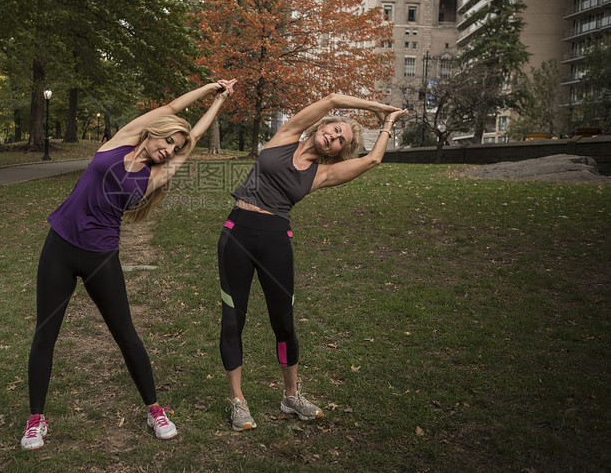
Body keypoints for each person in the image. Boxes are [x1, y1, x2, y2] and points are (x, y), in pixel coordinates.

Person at [22, 79, 237, 451]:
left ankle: (155, 409)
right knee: (45, 334)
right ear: (153, 134)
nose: (168, 150)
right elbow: (171, 108)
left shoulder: (156, 175)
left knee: (126, 335)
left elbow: (195, 137)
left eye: (175, 148)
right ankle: (36, 419)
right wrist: (209, 88)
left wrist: (219, 104)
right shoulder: (120, 139)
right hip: (59, 245)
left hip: (101, 257)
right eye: (168, 141)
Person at [218, 93, 407, 432]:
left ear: (338, 151)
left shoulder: (320, 175)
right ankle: (237, 400)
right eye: (334, 130)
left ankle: (291, 397)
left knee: (284, 322)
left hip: (276, 240)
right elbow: (333, 99)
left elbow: (372, 161)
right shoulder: (286, 135)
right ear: (323, 125)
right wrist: (377, 108)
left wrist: (388, 125)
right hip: (237, 234)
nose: (333, 138)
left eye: (340, 142)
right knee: (233, 319)